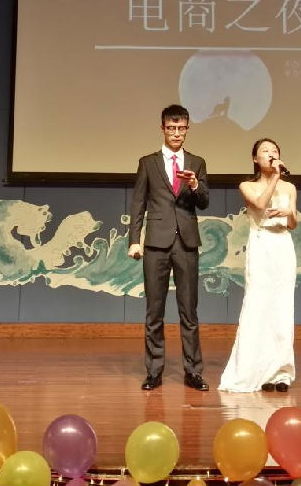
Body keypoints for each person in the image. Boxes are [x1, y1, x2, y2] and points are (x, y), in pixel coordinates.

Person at [129, 104, 210, 391]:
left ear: (187, 129)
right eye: (171, 128)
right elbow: (138, 203)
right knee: (154, 311)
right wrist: (134, 240)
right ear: (163, 128)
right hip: (156, 242)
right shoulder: (148, 163)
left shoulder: (197, 162)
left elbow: (204, 202)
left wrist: (195, 185)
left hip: (186, 242)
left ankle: (193, 371)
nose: (176, 133)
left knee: (189, 311)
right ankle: (154, 371)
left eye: (181, 128)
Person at [218, 138, 297, 393]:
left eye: (275, 151)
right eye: (265, 151)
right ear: (255, 159)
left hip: (283, 246)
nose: (271, 154)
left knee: (282, 308)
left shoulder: (289, 187)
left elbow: (293, 223)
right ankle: (255, 370)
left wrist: (289, 213)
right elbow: (260, 204)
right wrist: (275, 178)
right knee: (258, 305)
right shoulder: (247, 185)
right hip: (262, 244)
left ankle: (281, 372)